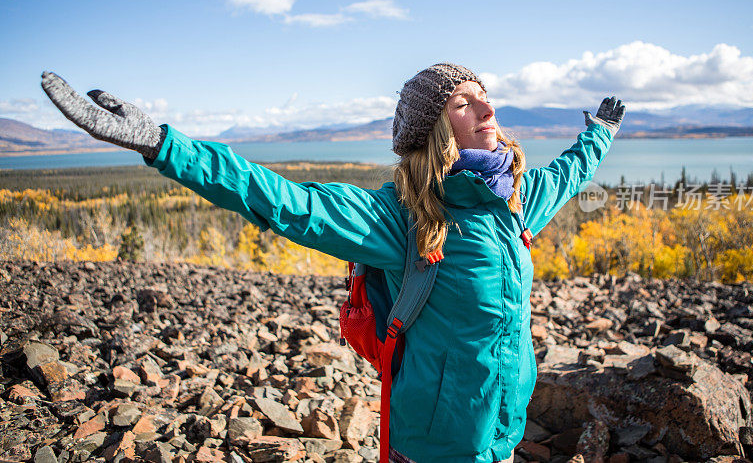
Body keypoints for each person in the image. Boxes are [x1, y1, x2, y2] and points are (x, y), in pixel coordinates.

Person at [41, 63, 624, 463]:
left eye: (483, 95)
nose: (489, 108)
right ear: (433, 130)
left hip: (502, 425)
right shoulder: (402, 218)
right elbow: (288, 204)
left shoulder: (514, 201)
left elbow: (571, 171)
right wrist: (164, 144)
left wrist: (598, 131)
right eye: (464, 102)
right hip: (437, 440)